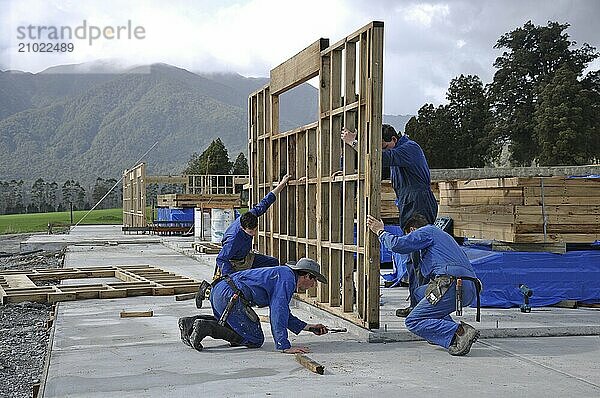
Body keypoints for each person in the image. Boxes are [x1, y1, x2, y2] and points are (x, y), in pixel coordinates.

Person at [341, 125, 438, 316]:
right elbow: (374, 165)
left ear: (394, 139)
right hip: (410, 204)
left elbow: (380, 159)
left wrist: (354, 142)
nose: (383, 150)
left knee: (418, 257)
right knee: (412, 258)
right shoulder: (397, 152)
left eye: (384, 146)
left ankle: (423, 308)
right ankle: (417, 304)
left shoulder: (409, 148)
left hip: (418, 205)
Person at [366, 212, 481, 356]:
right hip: (469, 288)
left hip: (452, 285)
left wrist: (380, 231)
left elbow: (398, 245)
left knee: (413, 321)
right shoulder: (444, 237)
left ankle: (459, 331)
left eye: (409, 235)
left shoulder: (427, 231)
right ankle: (439, 332)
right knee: (420, 292)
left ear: (413, 230)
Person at [179, 258, 329, 353]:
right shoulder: (287, 279)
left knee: (234, 328)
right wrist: (284, 345)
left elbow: (285, 314)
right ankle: (205, 327)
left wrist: (309, 327)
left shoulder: (284, 274)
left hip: (220, 290)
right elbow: (278, 312)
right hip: (231, 296)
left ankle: (191, 323)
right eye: (314, 280)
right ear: (306, 275)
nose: (314, 284)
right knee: (255, 339)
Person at [216, 173, 292, 277]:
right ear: (242, 228)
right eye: (250, 232)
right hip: (234, 263)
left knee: (273, 263)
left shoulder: (251, 215)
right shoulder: (233, 239)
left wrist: (282, 184)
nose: (254, 234)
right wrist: (231, 279)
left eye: (255, 230)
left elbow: (265, 202)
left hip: (246, 257)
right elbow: (221, 259)